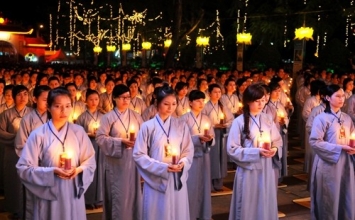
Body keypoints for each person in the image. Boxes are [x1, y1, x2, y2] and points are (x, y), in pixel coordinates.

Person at [16, 87, 96, 220]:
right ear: (49, 107)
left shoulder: (79, 132)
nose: (64, 111)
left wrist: (78, 170)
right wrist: (52, 171)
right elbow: (23, 168)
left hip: (72, 190)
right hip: (49, 192)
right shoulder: (38, 134)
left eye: (68, 106)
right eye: (58, 106)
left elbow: (90, 161)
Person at [133, 84, 194, 220]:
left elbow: (188, 150)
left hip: (176, 176)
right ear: (158, 104)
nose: (170, 108)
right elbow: (139, 154)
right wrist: (162, 167)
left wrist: (182, 163)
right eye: (166, 104)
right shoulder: (147, 126)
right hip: (157, 177)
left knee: (177, 212)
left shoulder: (181, 125)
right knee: (158, 212)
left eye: (173, 104)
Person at [227, 83, 282, 220]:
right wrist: (256, 152)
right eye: (257, 101)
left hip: (266, 168)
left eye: (263, 100)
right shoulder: (239, 122)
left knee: (265, 200)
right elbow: (232, 149)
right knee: (249, 201)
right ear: (248, 101)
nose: (261, 104)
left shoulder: (268, 119)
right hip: (248, 169)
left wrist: (274, 149)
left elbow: (277, 140)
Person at [95, 84, 143, 220]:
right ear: (114, 98)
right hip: (116, 164)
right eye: (122, 97)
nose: (126, 100)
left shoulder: (136, 116)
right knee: (118, 196)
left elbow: (144, 137)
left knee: (133, 194)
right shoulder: (108, 117)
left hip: (133, 162)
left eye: (128, 97)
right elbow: (100, 138)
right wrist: (120, 141)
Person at [309, 84, 355, 219]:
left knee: (345, 193)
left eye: (343, 96)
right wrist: (339, 148)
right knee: (329, 196)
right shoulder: (321, 118)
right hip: (328, 162)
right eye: (338, 96)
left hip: (346, 161)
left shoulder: (346, 118)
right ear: (328, 97)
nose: (342, 99)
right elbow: (314, 141)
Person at [180, 90, 215, 220]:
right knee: (191, 185)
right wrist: (196, 139)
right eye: (198, 101)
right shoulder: (183, 119)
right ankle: (190, 214)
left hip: (204, 156)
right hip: (190, 158)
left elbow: (212, 137)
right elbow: (181, 139)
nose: (201, 103)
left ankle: (203, 214)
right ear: (190, 103)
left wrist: (209, 139)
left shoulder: (206, 118)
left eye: (203, 101)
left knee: (204, 184)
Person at [0, 85, 32, 218]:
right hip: (12, 152)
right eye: (19, 94)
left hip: (29, 152)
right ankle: (14, 209)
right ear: (13, 97)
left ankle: (28, 209)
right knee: (13, 180)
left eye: (25, 94)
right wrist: (17, 137)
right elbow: (1, 132)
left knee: (29, 181)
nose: (23, 97)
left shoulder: (32, 113)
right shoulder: (6, 114)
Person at [76, 89, 104, 210]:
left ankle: (99, 198)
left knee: (100, 171)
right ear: (86, 101)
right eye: (91, 99)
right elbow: (77, 134)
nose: (94, 102)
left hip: (100, 147)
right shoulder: (82, 117)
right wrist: (88, 134)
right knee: (88, 171)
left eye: (96, 99)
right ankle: (88, 199)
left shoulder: (103, 116)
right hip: (87, 147)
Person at [202, 84, 233, 191]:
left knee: (221, 158)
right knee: (212, 158)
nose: (217, 94)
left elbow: (231, 119)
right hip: (211, 134)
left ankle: (218, 183)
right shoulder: (205, 106)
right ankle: (209, 183)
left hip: (221, 134)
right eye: (215, 92)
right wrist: (214, 125)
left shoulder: (222, 106)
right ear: (209, 93)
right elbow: (203, 121)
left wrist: (225, 125)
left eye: (219, 92)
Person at [15, 85, 51, 157]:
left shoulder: (54, 117)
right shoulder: (27, 119)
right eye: (45, 100)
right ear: (35, 99)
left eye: (50, 100)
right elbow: (20, 145)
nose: (48, 103)